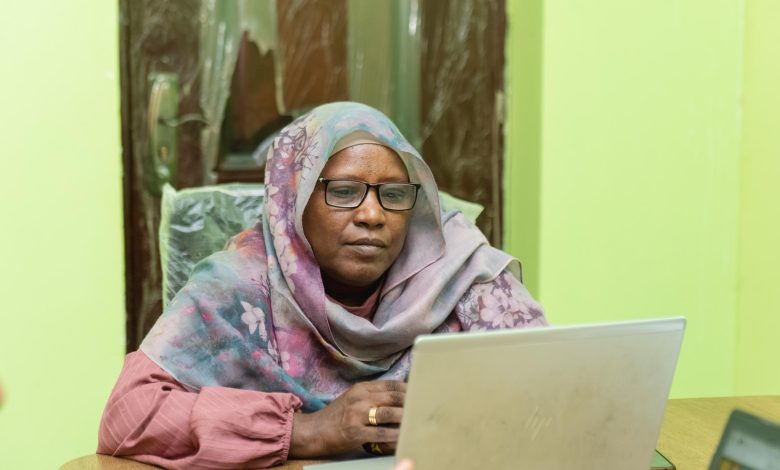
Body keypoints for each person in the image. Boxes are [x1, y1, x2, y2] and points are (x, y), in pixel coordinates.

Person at [98, 102, 546, 469]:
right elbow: (128, 416)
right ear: (293, 201)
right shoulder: (237, 288)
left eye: (393, 194)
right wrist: (307, 431)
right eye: (345, 191)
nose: (372, 215)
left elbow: (550, 393)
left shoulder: (460, 272)